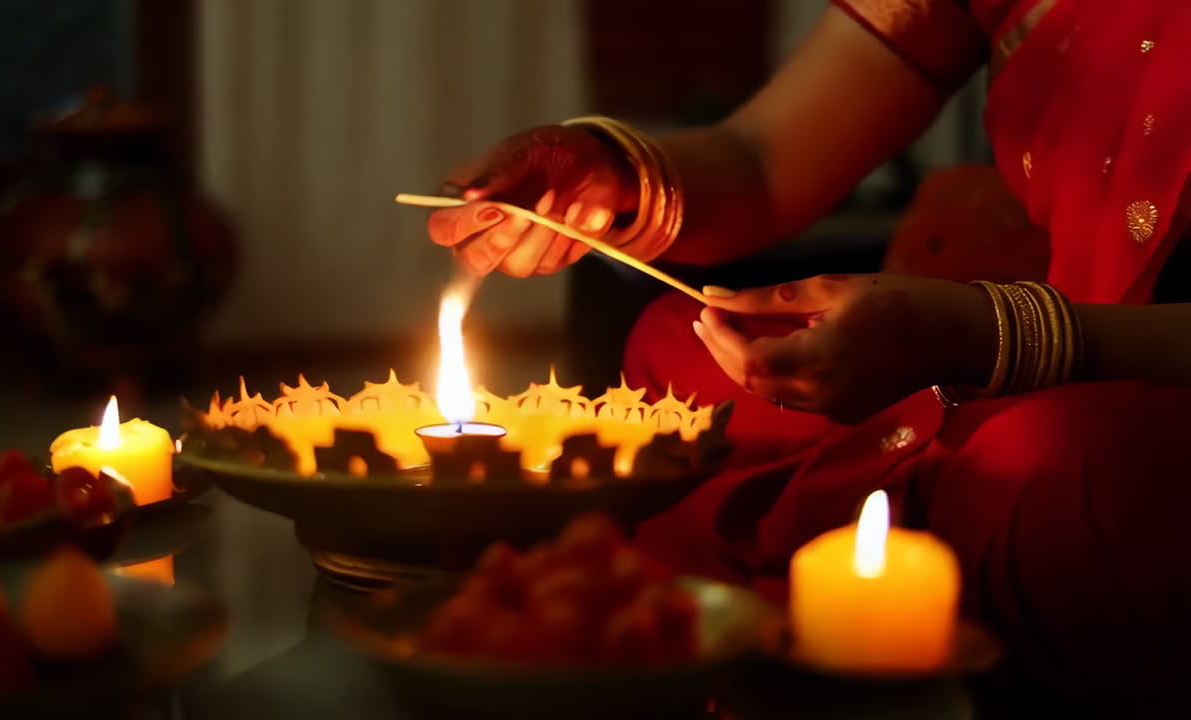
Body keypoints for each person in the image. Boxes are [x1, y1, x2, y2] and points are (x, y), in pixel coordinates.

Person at [426, 0, 1191, 709]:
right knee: (680, 355)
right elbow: (759, 160)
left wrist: (1000, 336)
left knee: (1081, 466)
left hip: (1142, 407)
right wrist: (608, 173)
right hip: (1013, 355)